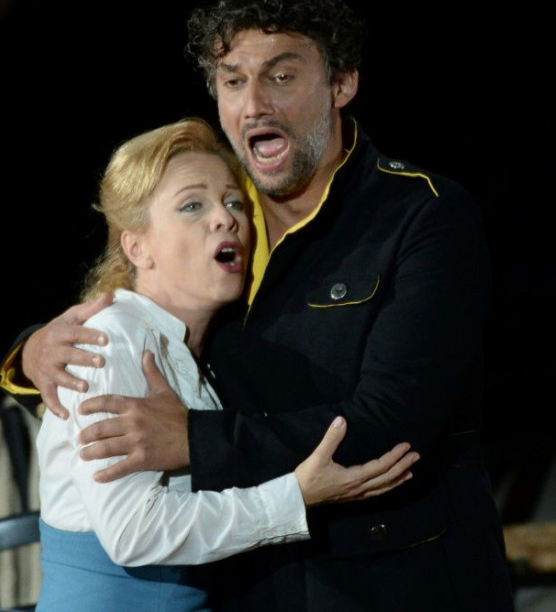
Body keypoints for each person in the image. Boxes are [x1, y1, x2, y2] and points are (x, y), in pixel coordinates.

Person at [1, 0, 515, 610]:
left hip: (397, 585)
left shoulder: (423, 217)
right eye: (233, 80)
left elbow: (391, 425)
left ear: (342, 82)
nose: (254, 105)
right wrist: (31, 353)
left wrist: (194, 439)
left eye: (282, 75)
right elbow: (124, 320)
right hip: (252, 585)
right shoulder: (216, 213)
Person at [30, 116, 418, 612]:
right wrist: (293, 498)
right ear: (136, 246)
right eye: (192, 205)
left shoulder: (204, 354)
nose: (225, 217)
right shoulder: (107, 339)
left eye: (233, 202)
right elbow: (133, 533)